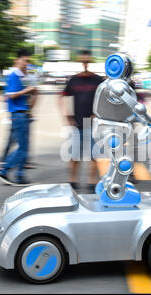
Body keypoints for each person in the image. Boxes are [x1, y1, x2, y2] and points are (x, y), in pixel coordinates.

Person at [58, 50, 104, 191]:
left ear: (90, 61)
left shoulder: (97, 80)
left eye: (87, 60)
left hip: (93, 123)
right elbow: (61, 97)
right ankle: (73, 181)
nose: (85, 63)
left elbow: (105, 98)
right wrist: (67, 116)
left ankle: (92, 182)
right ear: (80, 61)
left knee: (94, 155)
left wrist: (97, 113)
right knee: (74, 155)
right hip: (77, 123)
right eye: (83, 60)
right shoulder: (74, 79)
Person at [0, 49, 38, 186]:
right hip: (18, 115)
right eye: (24, 60)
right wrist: (27, 90)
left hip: (23, 114)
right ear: (17, 60)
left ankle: (19, 175)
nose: (26, 63)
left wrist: (31, 105)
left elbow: (29, 95)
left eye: (28, 61)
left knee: (24, 147)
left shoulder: (24, 77)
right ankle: (4, 169)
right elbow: (10, 95)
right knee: (22, 148)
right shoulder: (14, 75)